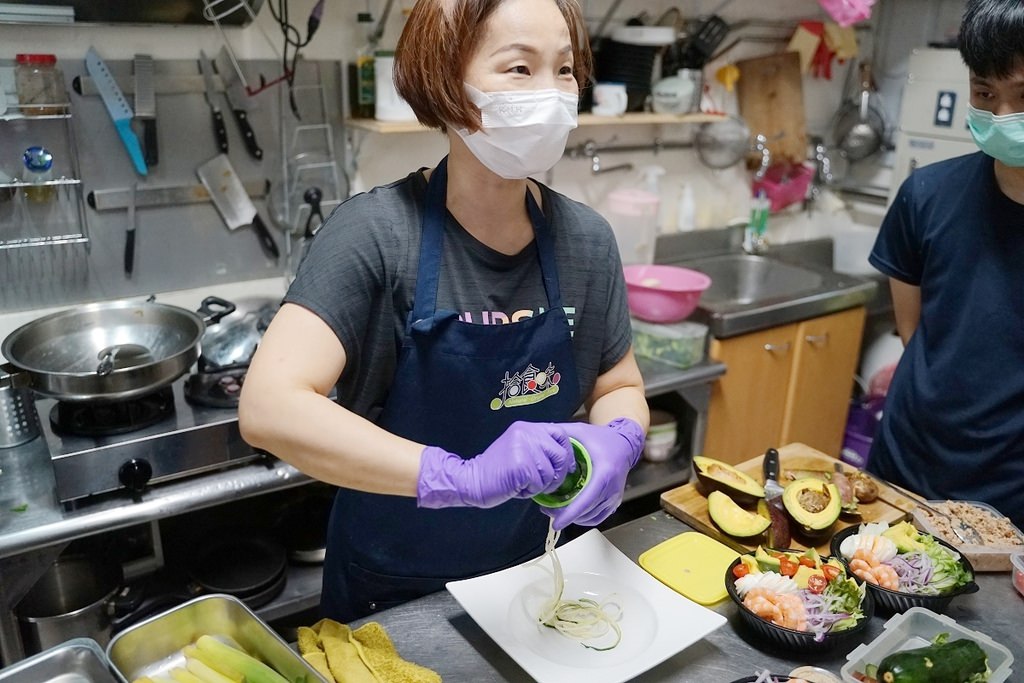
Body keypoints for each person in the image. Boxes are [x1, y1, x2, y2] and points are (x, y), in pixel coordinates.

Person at [238, 0, 649, 622]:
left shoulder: (585, 240)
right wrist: (459, 477)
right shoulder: (376, 234)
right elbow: (269, 408)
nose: (552, 94)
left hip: (536, 580)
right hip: (397, 590)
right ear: (446, 81)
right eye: (518, 69)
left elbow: (617, 382)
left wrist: (619, 439)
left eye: (564, 70)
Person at [867, 0, 1024, 529]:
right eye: (985, 93)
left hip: (1011, 501)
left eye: (1023, 97)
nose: (1002, 116)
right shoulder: (926, 195)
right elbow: (916, 333)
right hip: (903, 470)